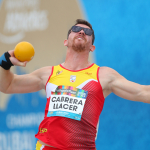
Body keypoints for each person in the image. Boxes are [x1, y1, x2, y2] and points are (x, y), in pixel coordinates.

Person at [0, 19, 150, 150]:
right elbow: (8, 85)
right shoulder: (48, 73)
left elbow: (143, 92)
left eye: (87, 31)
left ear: (92, 47)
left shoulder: (104, 75)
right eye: (76, 29)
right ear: (66, 41)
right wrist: (5, 61)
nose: (82, 32)